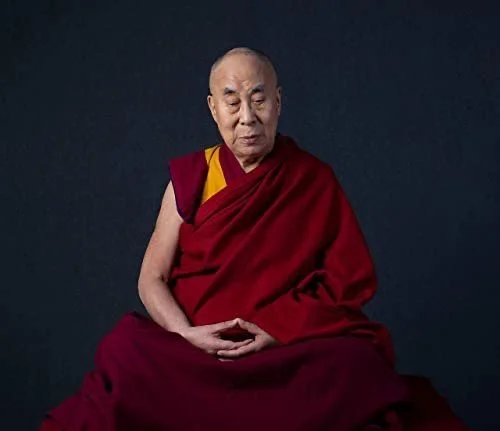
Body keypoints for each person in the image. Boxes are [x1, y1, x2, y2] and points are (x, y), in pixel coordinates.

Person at [41, 47, 470, 431]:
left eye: (259, 99)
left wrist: (276, 329)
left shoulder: (312, 178)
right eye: (232, 101)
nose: (247, 117)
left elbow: (348, 281)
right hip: (195, 353)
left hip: (281, 350)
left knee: (358, 365)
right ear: (213, 108)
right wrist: (187, 335)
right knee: (125, 352)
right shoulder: (191, 178)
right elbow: (152, 277)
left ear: (278, 103)